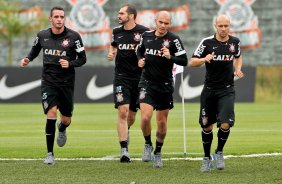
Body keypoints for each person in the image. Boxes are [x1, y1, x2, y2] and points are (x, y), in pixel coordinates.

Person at [20, 6, 87, 165]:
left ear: (64, 18)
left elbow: (82, 59)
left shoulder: (74, 37)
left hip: (66, 83)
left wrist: (70, 63)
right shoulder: (42, 35)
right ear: (51, 19)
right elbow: (34, 50)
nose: (59, 19)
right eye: (56, 17)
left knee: (66, 119)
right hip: (49, 81)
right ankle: (49, 153)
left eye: (61, 17)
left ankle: (62, 128)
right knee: (51, 112)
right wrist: (27, 59)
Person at [189, 14, 244, 172]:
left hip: (227, 89)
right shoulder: (207, 43)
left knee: (226, 123)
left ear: (229, 26)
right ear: (215, 26)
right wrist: (203, 59)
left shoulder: (235, 42)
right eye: (220, 26)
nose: (223, 29)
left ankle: (219, 152)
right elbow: (192, 62)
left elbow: (238, 57)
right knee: (207, 126)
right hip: (209, 90)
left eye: (226, 26)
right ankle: (206, 157)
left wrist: (238, 68)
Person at [136, 11, 188, 168]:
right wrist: (140, 60)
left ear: (170, 24)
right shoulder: (146, 36)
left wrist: (170, 57)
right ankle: (147, 144)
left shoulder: (174, 40)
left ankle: (158, 152)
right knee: (145, 117)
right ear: (155, 22)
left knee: (161, 122)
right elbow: (139, 50)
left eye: (166, 23)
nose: (163, 26)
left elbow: (184, 60)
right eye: (161, 22)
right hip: (147, 82)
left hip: (164, 85)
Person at [107, 4, 149, 163]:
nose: (119, 16)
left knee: (131, 115)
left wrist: (144, 60)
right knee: (123, 111)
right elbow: (113, 46)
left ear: (131, 16)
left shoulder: (144, 32)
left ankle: (127, 131)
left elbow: (148, 50)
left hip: (139, 79)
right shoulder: (116, 32)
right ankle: (124, 149)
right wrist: (111, 53)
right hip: (121, 77)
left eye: (121, 13)